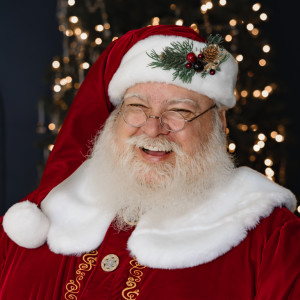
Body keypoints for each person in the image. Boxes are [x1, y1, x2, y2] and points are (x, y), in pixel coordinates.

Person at [0, 25, 299, 300]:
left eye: (180, 111)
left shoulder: (273, 241)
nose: (153, 129)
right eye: (137, 107)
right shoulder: (33, 220)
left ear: (219, 122)